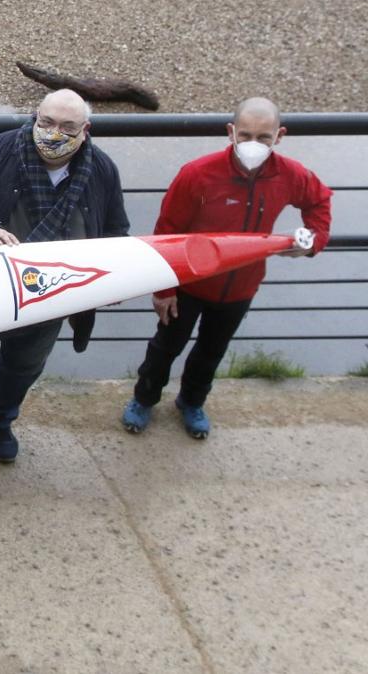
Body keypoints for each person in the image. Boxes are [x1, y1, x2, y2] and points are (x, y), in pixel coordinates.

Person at [0, 89, 130, 473]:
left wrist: (112, 279)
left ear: (86, 129)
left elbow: (116, 230)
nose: (53, 133)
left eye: (67, 127)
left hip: (52, 297)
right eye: (46, 122)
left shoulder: (102, 169)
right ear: (35, 117)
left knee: (23, 369)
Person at [121, 97, 333, 439]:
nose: (253, 144)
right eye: (245, 135)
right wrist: (163, 289)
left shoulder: (290, 175)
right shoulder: (197, 174)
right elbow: (166, 232)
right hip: (189, 285)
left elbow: (319, 200)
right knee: (164, 348)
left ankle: (191, 402)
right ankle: (143, 399)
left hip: (240, 289)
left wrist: (312, 242)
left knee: (211, 352)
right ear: (231, 132)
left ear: (279, 136)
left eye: (263, 138)